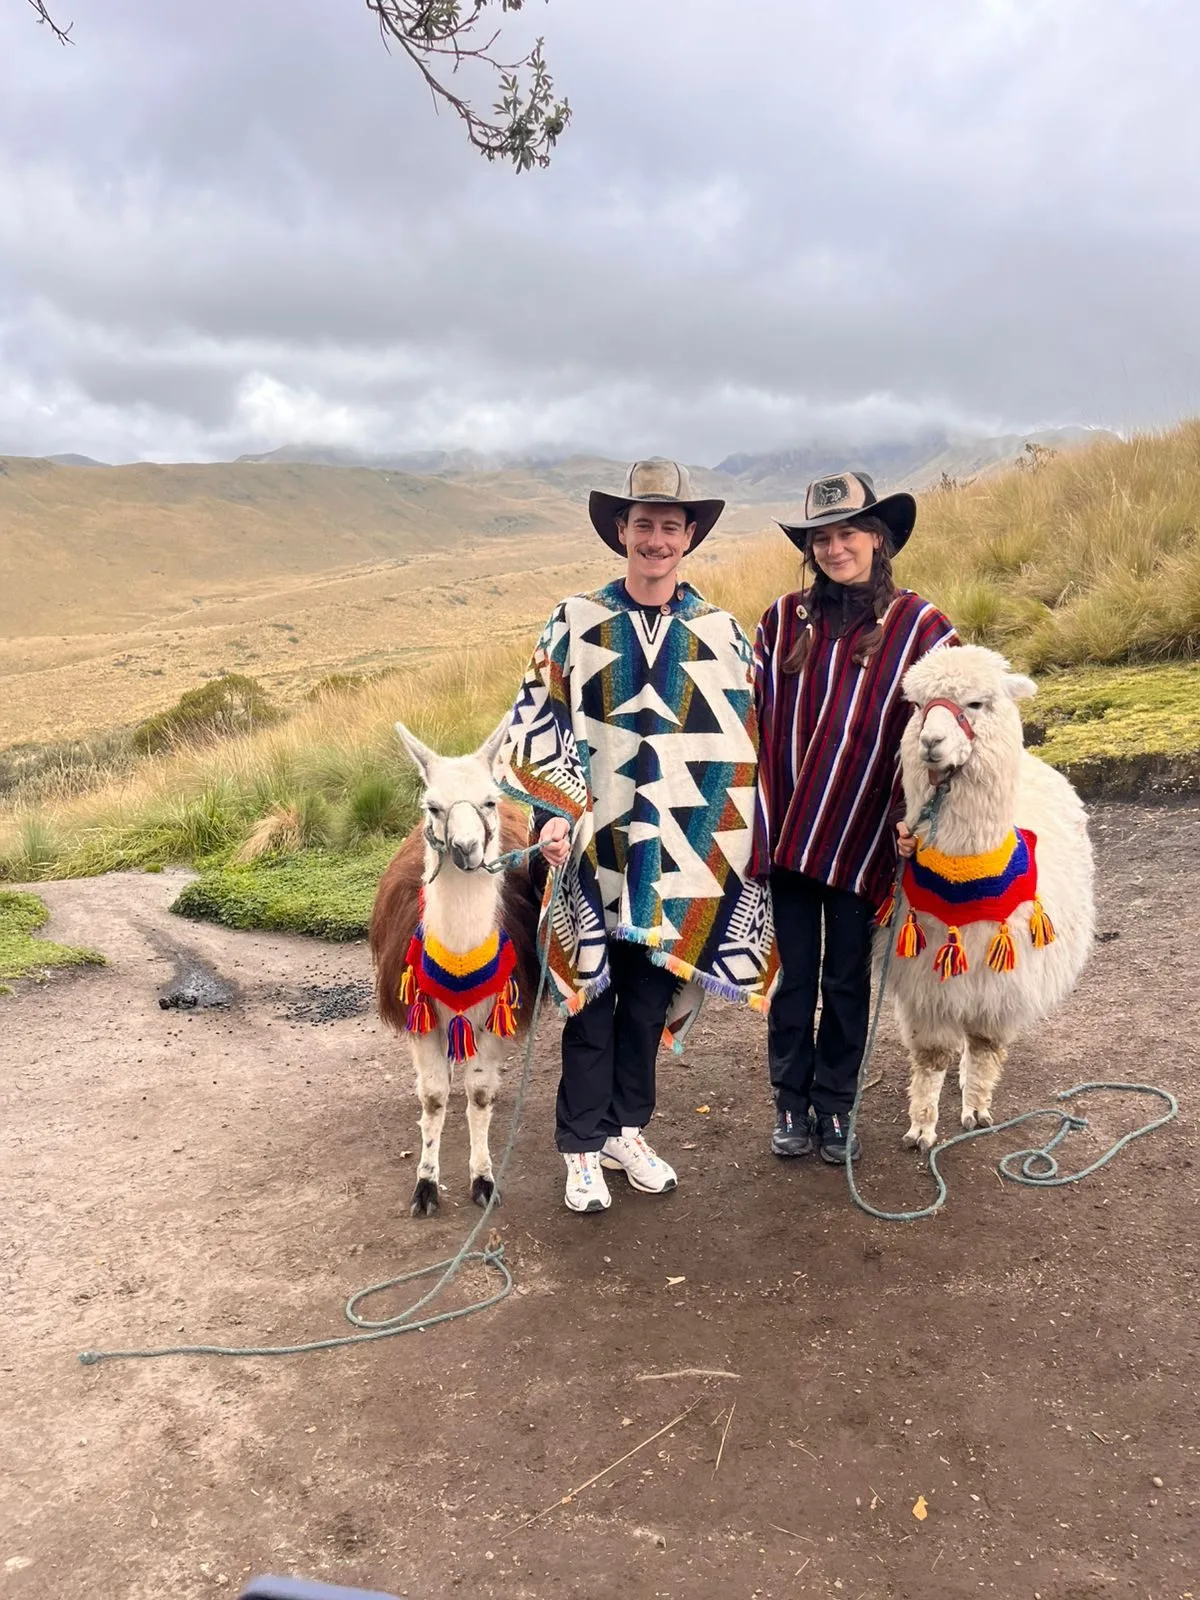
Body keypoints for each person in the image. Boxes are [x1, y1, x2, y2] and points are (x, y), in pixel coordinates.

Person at [499, 458, 777, 1214]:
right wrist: (553, 814)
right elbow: (538, 721)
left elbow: (750, 745)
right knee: (591, 998)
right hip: (598, 851)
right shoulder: (576, 623)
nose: (656, 539)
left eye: (670, 526)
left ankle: (625, 1129)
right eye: (643, 525)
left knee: (648, 1003)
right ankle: (581, 1148)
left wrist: (742, 844)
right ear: (621, 531)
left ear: (689, 537)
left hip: (684, 859)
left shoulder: (721, 635)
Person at [751, 470, 957, 1165]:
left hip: (866, 835)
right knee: (793, 976)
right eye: (823, 537)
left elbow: (950, 730)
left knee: (845, 979)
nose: (836, 548)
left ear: (877, 537)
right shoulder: (783, 622)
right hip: (786, 834)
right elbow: (753, 719)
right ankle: (790, 1102)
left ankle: (835, 1108)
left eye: (848, 533)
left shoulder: (920, 628)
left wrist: (919, 819)